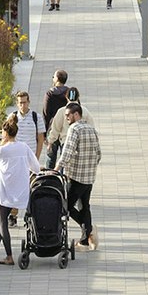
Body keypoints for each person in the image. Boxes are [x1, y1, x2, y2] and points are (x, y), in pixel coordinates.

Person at [0, 117, 36, 266]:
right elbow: (36, 167)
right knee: (0, 221)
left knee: (2, 223)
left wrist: (2, 143)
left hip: (1, 190)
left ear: (5, 134)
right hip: (17, 191)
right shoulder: (24, 147)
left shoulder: (3, 150)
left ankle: (9, 255)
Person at [55, 100, 101, 250]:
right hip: (89, 178)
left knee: (65, 206)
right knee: (85, 206)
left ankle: (88, 230)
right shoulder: (91, 129)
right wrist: (91, 167)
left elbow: (67, 152)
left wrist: (56, 169)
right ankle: (85, 239)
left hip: (76, 177)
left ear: (76, 114)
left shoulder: (74, 129)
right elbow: (98, 154)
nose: (66, 118)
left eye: (68, 115)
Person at [9, 90, 48, 158]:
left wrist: (37, 157)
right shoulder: (12, 117)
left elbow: (40, 139)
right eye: (20, 103)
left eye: (25, 102)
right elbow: (7, 136)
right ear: (17, 103)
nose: (23, 105)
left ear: (28, 102)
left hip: (30, 155)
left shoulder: (36, 117)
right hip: (15, 155)